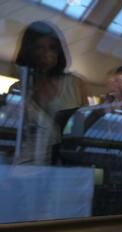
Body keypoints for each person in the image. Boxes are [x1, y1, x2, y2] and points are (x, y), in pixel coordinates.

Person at [12, 21, 88, 165]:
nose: (45, 54)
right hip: (25, 164)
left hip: (60, 162)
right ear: (29, 50)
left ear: (59, 51)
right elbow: (14, 131)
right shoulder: (19, 88)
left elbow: (80, 129)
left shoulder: (73, 83)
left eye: (52, 48)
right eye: (38, 48)